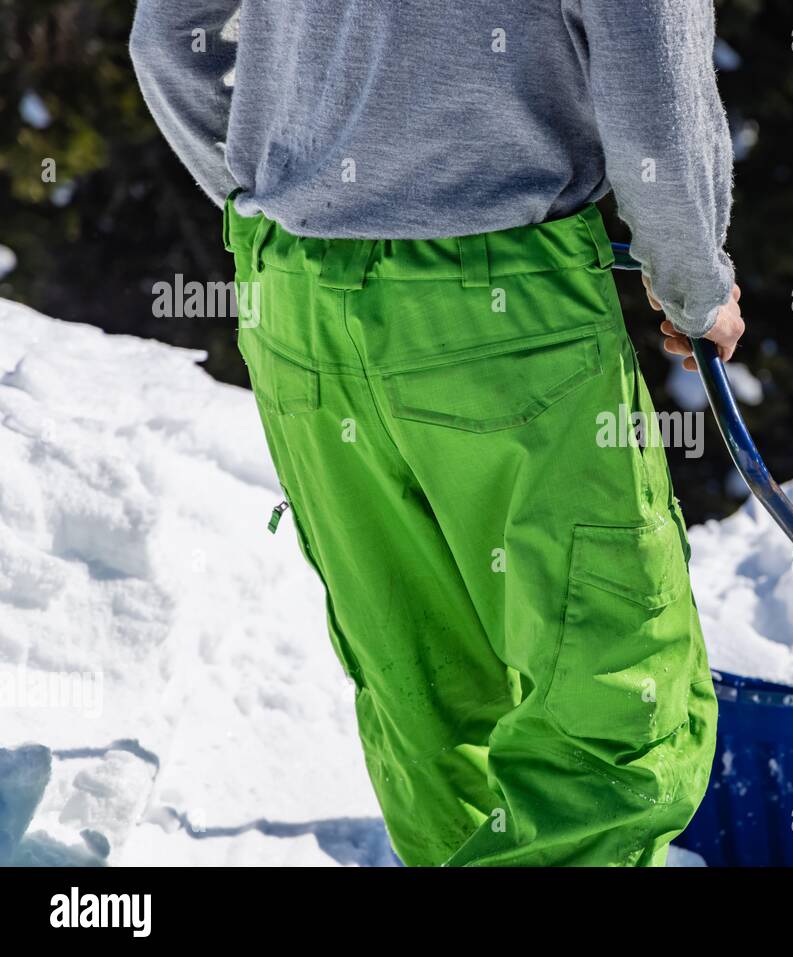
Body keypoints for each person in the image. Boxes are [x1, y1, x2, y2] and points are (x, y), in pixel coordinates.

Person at [129, 0, 744, 866]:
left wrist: (270, 197)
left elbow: (167, 38)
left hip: (297, 306)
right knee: (608, 704)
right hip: (500, 310)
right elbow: (647, 47)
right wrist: (692, 274)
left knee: (424, 694)